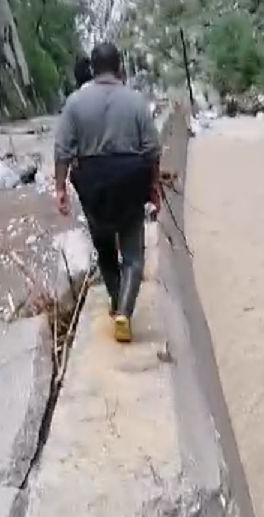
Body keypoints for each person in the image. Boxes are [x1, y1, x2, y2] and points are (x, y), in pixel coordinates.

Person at [54, 42, 161, 342]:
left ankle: (116, 304)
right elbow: (152, 149)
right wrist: (153, 187)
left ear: (92, 68)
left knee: (104, 249)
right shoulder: (136, 101)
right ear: (119, 68)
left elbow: (62, 150)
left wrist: (60, 188)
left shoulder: (74, 103)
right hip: (130, 181)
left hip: (93, 184)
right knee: (133, 255)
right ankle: (125, 310)